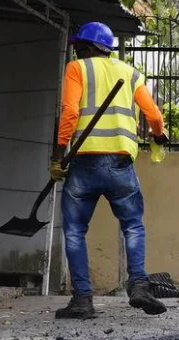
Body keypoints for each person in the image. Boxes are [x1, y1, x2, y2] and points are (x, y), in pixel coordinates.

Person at [48, 22, 169, 319]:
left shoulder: (77, 69)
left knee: (75, 230)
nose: (75, 48)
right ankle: (139, 285)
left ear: (90, 46)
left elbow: (71, 113)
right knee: (133, 225)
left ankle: (82, 300)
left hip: (85, 163)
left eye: (79, 43)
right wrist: (158, 133)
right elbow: (152, 113)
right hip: (119, 164)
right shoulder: (129, 73)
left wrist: (57, 156)